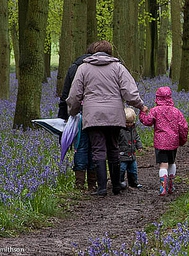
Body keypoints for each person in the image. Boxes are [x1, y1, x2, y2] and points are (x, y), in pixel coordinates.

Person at [67, 40, 148, 196]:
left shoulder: (83, 68)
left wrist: (72, 111)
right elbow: (129, 92)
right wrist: (140, 105)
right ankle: (116, 186)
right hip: (114, 116)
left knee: (97, 150)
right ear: (110, 52)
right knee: (113, 148)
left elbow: (75, 94)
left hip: (92, 116)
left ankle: (102, 188)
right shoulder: (118, 68)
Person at [58, 43, 97, 192]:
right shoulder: (101, 68)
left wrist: (63, 117)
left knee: (80, 147)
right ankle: (93, 183)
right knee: (96, 147)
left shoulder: (74, 68)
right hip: (96, 115)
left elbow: (65, 96)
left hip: (78, 115)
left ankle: (79, 183)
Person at [139, 86, 189, 196]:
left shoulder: (155, 111)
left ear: (157, 98)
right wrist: (182, 140)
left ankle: (163, 187)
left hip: (160, 143)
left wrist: (142, 113)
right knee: (171, 163)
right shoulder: (176, 112)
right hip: (173, 142)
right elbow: (183, 127)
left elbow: (147, 122)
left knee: (163, 165)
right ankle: (171, 185)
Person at [119, 108, 143, 189]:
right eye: (127, 122)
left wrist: (139, 146)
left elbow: (137, 138)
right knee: (121, 169)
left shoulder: (133, 129)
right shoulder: (120, 130)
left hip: (132, 154)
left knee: (133, 170)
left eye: (131, 122)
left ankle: (133, 183)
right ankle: (120, 182)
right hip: (122, 154)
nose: (129, 124)